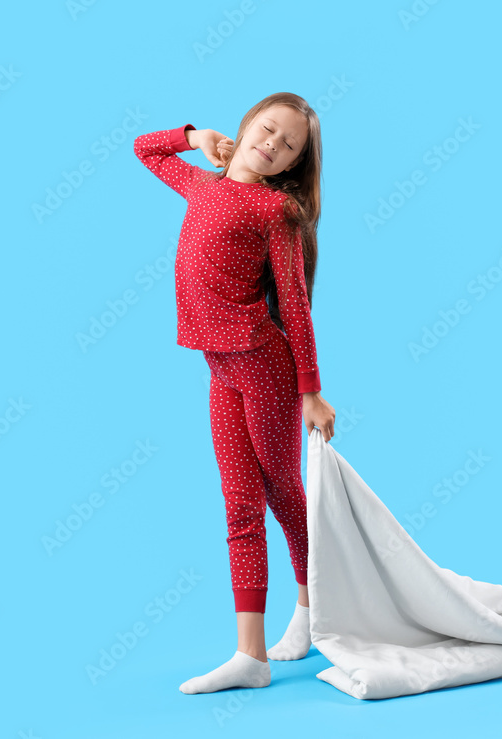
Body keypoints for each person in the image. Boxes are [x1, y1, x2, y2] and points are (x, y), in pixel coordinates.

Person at [133, 93, 337, 694]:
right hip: (221, 366)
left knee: (282, 491)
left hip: (262, 363)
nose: (272, 144)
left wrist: (310, 392)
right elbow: (146, 149)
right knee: (239, 503)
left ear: (291, 166)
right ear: (247, 125)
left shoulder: (277, 212)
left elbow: (295, 308)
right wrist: (195, 136)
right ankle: (251, 656)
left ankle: (309, 610)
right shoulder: (202, 186)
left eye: (288, 146)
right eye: (268, 129)